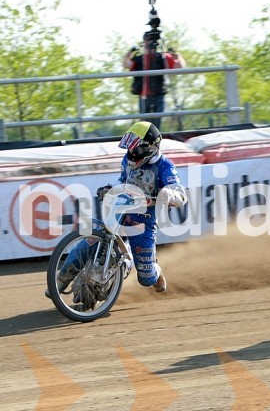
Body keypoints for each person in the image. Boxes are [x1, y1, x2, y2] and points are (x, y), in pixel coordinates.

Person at [46, 121, 188, 300]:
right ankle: (59, 281)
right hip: (120, 211)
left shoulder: (165, 166)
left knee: (146, 278)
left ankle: (152, 270)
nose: (131, 153)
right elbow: (122, 182)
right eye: (129, 149)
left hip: (143, 221)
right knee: (88, 242)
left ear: (150, 147)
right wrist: (109, 188)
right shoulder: (127, 161)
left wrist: (168, 194)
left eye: (135, 150)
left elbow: (181, 195)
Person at [123, 14, 185, 131]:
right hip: (144, 95)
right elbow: (126, 65)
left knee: (157, 124)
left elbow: (180, 67)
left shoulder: (163, 57)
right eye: (148, 41)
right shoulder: (139, 59)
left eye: (152, 41)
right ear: (144, 43)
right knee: (144, 124)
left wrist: (177, 55)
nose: (151, 44)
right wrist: (129, 53)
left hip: (158, 94)